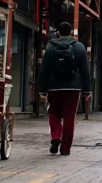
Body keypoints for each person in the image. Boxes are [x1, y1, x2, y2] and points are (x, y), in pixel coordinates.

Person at [38, 22, 91, 156]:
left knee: (53, 113)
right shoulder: (79, 47)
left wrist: (42, 89)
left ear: (58, 33)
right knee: (69, 118)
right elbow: (85, 70)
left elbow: (44, 69)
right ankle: (65, 149)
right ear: (71, 32)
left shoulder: (50, 46)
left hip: (53, 87)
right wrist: (87, 90)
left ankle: (55, 137)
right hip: (73, 88)